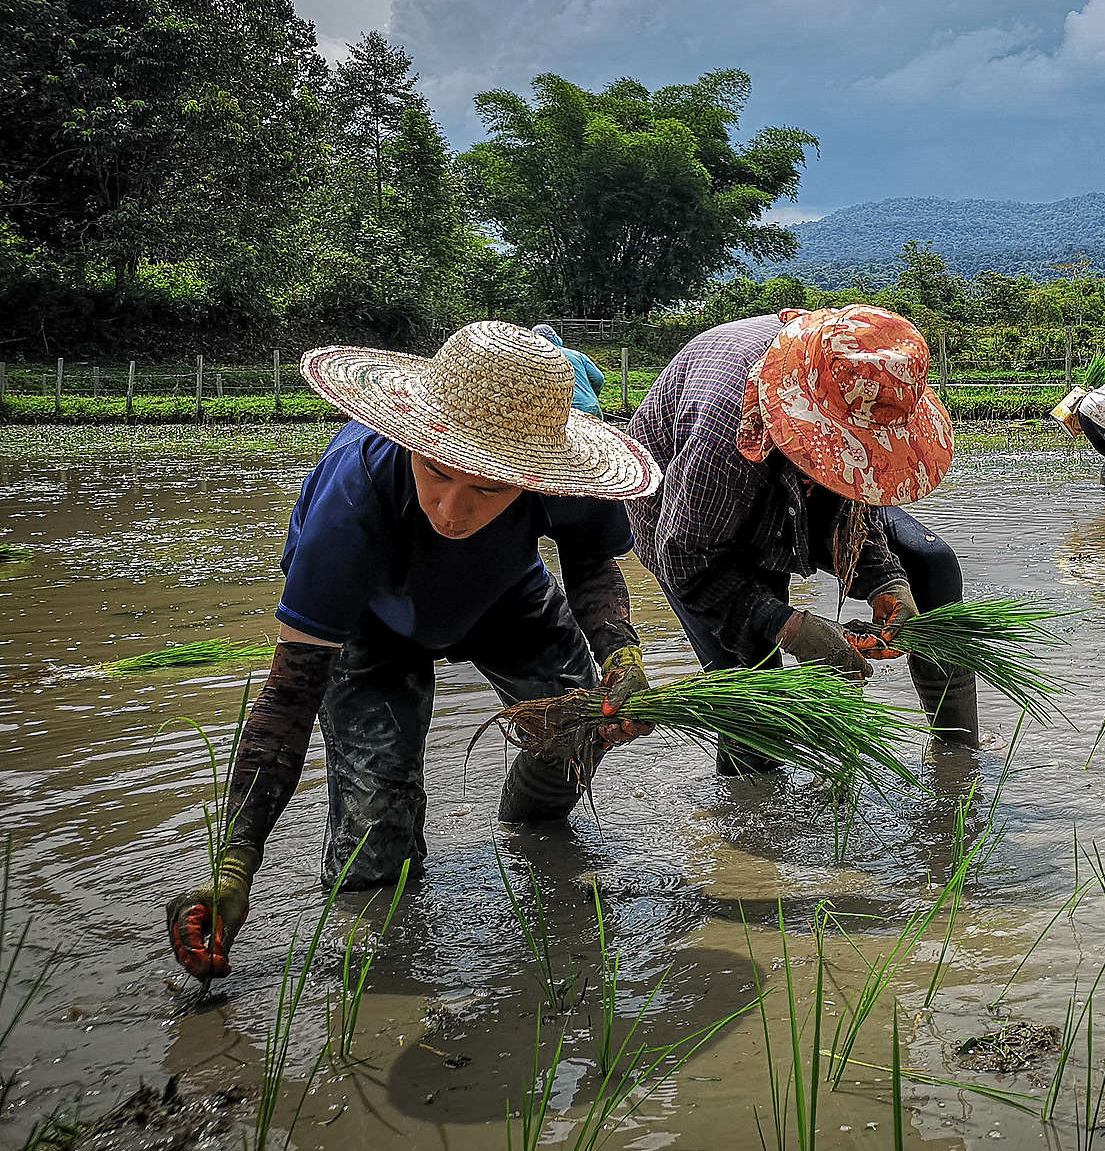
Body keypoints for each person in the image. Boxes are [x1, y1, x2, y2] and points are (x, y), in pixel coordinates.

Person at [165, 321, 663, 980]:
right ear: (412, 439)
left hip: (503, 596)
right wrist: (236, 863)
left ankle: (530, 826)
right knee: (375, 845)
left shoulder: (560, 475)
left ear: (534, 477)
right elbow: (289, 699)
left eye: (487, 487)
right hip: (372, 623)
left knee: (580, 730)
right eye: (435, 471)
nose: (452, 509)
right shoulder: (353, 497)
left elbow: (593, 560)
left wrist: (623, 657)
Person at [625, 305, 976, 765]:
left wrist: (885, 582)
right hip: (697, 525)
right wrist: (788, 626)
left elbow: (852, 490)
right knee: (756, 689)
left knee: (929, 564)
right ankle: (749, 821)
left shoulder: (856, 375)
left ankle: (958, 759)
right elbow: (687, 560)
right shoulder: (731, 424)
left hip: (791, 488)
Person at [534, 323, 607, 416]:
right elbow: (598, 378)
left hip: (563, 410)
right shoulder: (576, 355)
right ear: (554, 337)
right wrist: (590, 396)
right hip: (590, 405)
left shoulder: (536, 360)